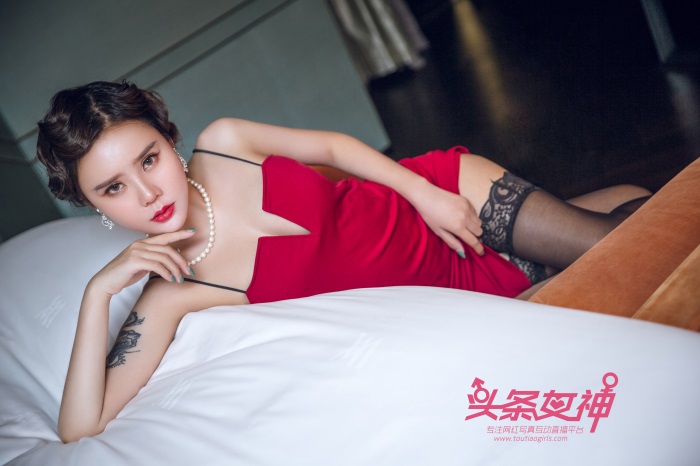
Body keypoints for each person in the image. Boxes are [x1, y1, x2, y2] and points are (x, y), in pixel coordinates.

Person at [36, 81, 650, 442]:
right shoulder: (174, 291)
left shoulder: (225, 144)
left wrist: (424, 192)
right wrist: (99, 292)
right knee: (632, 215)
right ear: (95, 207)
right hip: (456, 297)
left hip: (449, 203)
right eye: (113, 188)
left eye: (148, 159)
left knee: (620, 251)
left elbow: (332, 147)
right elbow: (79, 427)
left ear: (169, 139)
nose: (148, 193)